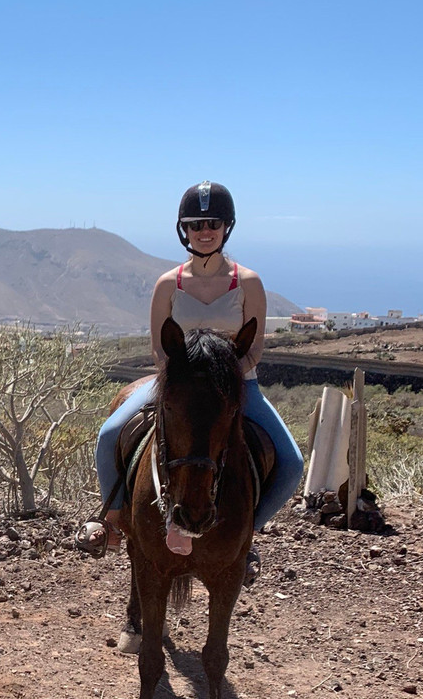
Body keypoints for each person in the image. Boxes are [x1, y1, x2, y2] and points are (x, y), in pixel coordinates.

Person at [78, 181, 304, 585]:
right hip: (176, 387)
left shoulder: (248, 282)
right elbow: (158, 349)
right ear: (184, 230)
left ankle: (247, 535)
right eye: (196, 224)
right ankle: (111, 521)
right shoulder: (168, 284)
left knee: (291, 462)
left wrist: (222, 382)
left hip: (235, 387)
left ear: (227, 227)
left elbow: (254, 349)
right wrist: (181, 385)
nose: (205, 231)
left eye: (213, 223)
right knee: (110, 433)